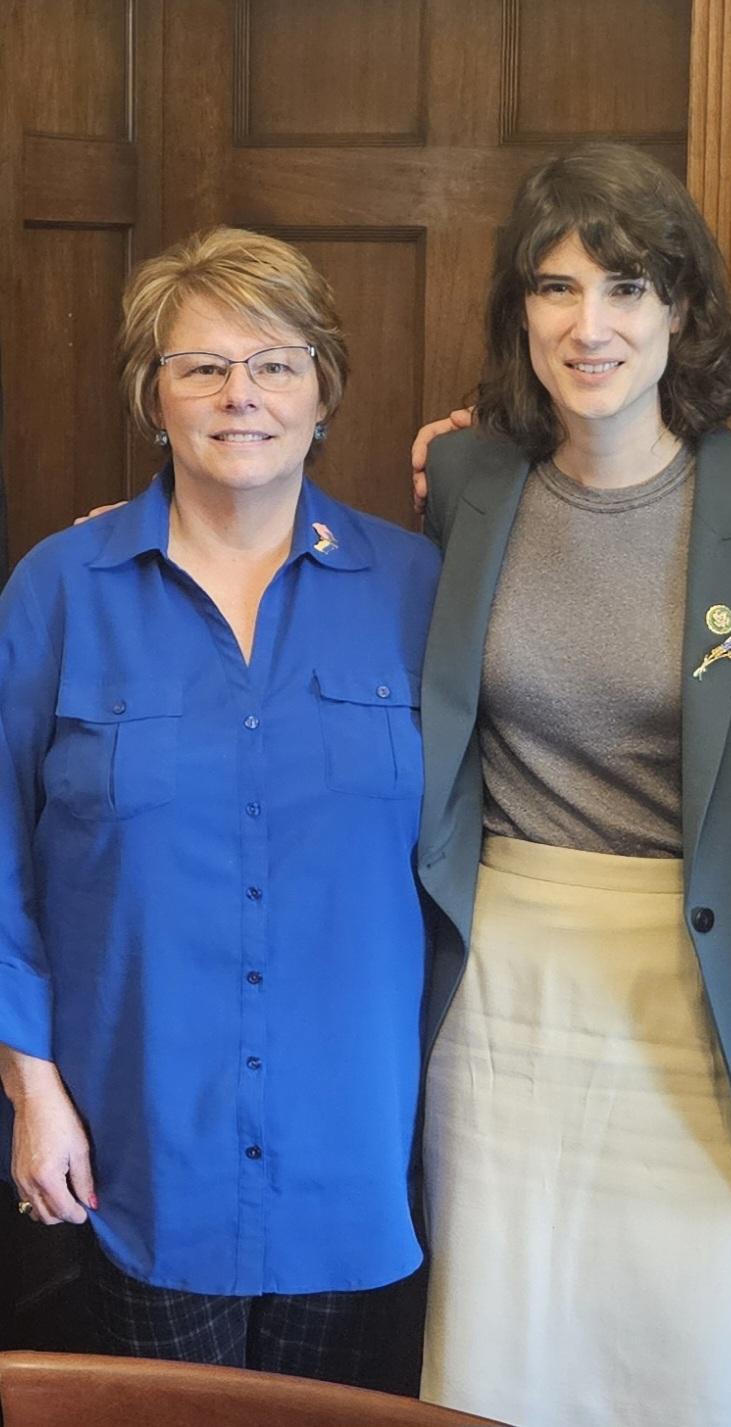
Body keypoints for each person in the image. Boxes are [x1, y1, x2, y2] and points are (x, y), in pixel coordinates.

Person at [410, 143, 731, 1427]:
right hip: (501, 986)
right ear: (520, 316)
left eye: (625, 287)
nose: (589, 324)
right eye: (555, 290)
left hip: (703, 987)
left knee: (708, 1345)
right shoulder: (465, 482)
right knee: (508, 1339)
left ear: (680, 308)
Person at [0, 228, 439, 1384]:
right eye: (201, 367)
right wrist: (31, 1085)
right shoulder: (58, 588)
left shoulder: (420, 587)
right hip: (142, 1150)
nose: (240, 394)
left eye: (276, 363)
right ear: (155, 396)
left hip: (362, 1155)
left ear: (324, 390)